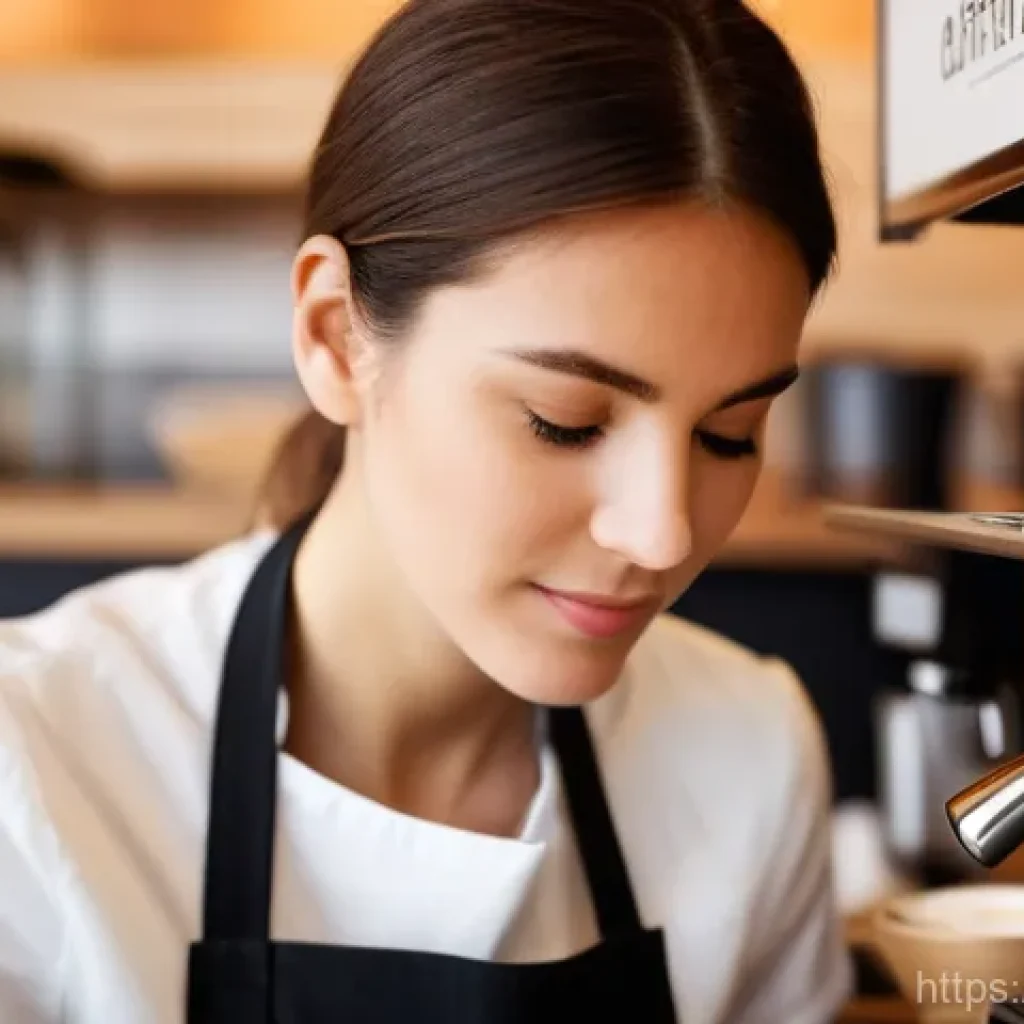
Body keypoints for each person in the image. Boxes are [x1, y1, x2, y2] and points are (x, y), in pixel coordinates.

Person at [0, 0, 854, 1021]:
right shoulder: (36, 765)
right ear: (332, 337)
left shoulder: (749, 754)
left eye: (730, 433)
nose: (662, 532)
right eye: (564, 421)